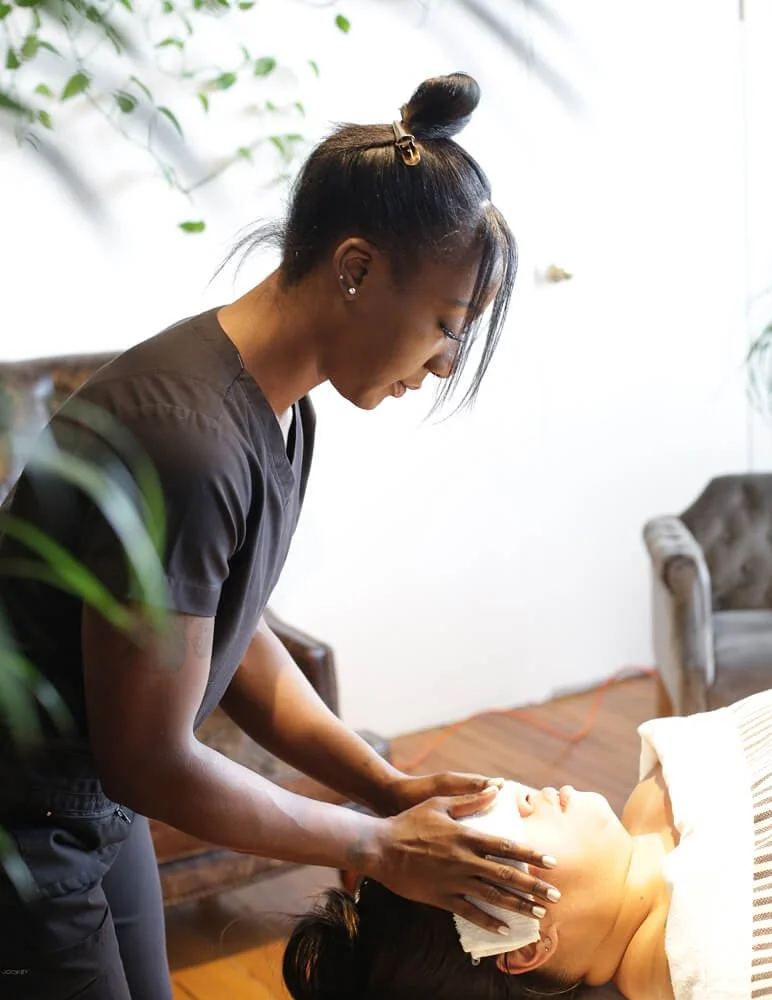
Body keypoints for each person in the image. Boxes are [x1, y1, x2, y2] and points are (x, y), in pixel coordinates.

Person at [0, 73, 561, 1000]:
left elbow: (229, 632)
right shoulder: (186, 437)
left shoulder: (278, 408)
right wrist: (375, 845)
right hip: (26, 830)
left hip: (98, 807)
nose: (442, 364)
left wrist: (384, 785)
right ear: (355, 268)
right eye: (444, 327)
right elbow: (152, 757)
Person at [284, 687, 772, 1000]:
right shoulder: (717, 969)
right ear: (526, 945)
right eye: (495, 831)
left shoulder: (652, 795)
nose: (512, 793)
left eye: (480, 802)